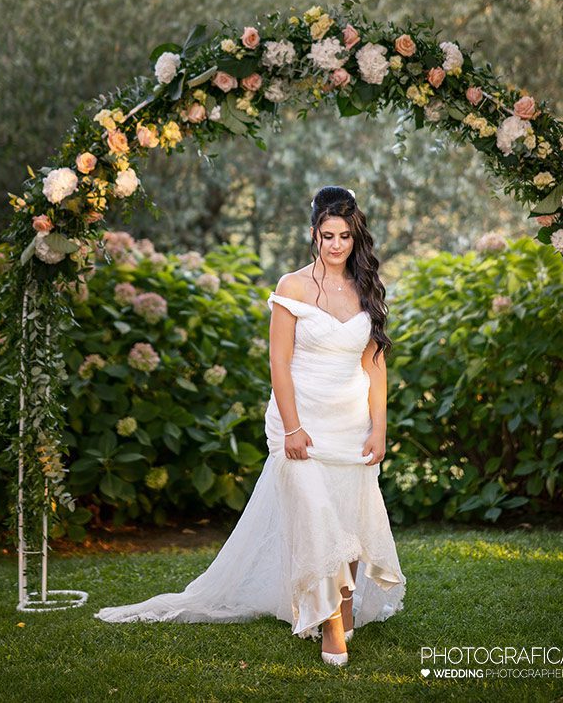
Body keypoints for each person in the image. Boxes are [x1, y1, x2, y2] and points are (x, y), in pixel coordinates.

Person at [94, 185, 406, 668]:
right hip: (299, 422)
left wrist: (379, 428)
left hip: (351, 424)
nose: (337, 245)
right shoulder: (293, 286)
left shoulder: (365, 288)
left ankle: (342, 605)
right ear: (313, 235)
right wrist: (294, 427)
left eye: (345, 235)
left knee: (349, 515)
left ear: (355, 235)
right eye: (328, 235)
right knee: (318, 516)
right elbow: (278, 363)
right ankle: (329, 625)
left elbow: (375, 367)